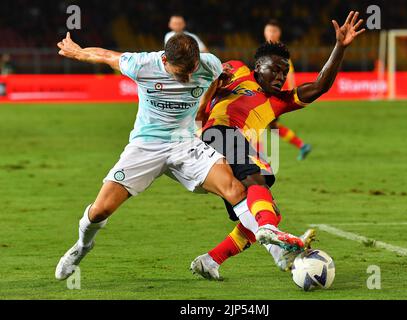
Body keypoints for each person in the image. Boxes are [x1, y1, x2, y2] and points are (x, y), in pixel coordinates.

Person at [54, 32, 313, 281]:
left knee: (236, 190)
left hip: (186, 144)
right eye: (182, 72)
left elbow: (215, 76)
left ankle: (278, 251)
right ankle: (82, 245)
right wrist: (77, 53)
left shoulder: (208, 64)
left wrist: (207, 102)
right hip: (146, 146)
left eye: (192, 69)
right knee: (100, 211)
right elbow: (105, 55)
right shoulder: (142, 64)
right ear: (165, 61)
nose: (189, 76)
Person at [190, 11, 365, 280]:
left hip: (231, 144)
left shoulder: (279, 101)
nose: (281, 77)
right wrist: (214, 82)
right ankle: (276, 242)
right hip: (218, 132)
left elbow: (320, 85)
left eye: (285, 72)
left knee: (263, 211)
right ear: (258, 66)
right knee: (257, 182)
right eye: (275, 69)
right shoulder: (236, 68)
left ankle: (211, 260)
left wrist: (339, 47)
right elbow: (204, 76)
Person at [264, 19, 312, 160]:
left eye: (273, 31)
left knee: (259, 123)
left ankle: (255, 158)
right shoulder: (266, 49)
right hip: (267, 93)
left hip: (274, 93)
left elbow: (290, 71)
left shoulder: (280, 51)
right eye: (268, 30)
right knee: (271, 125)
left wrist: (292, 92)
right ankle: (302, 145)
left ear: (279, 33)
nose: (270, 34)